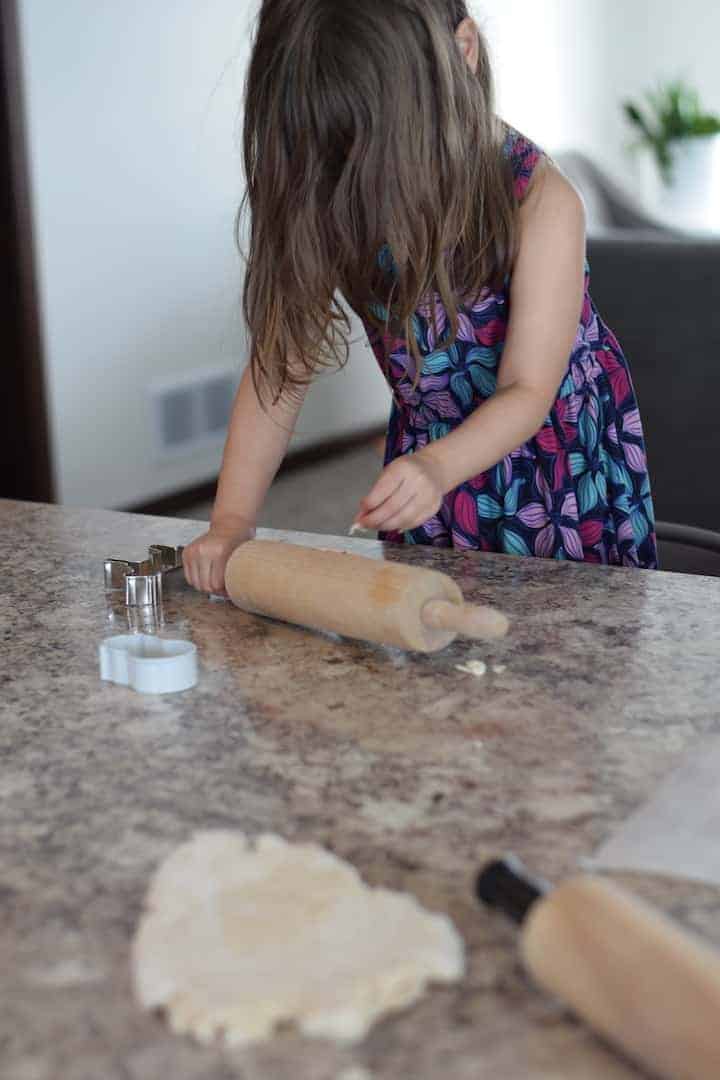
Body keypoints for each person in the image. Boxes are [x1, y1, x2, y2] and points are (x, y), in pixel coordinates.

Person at [183, 0, 658, 597]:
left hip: (555, 467)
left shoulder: (541, 202)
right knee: (434, 632)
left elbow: (528, 391)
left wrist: (437, 469)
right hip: (428, 460)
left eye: (384, 145)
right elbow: (280, 368)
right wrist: (230, 523)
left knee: (561, 640)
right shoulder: (336, 186)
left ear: (463, 53)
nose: (365, 178)